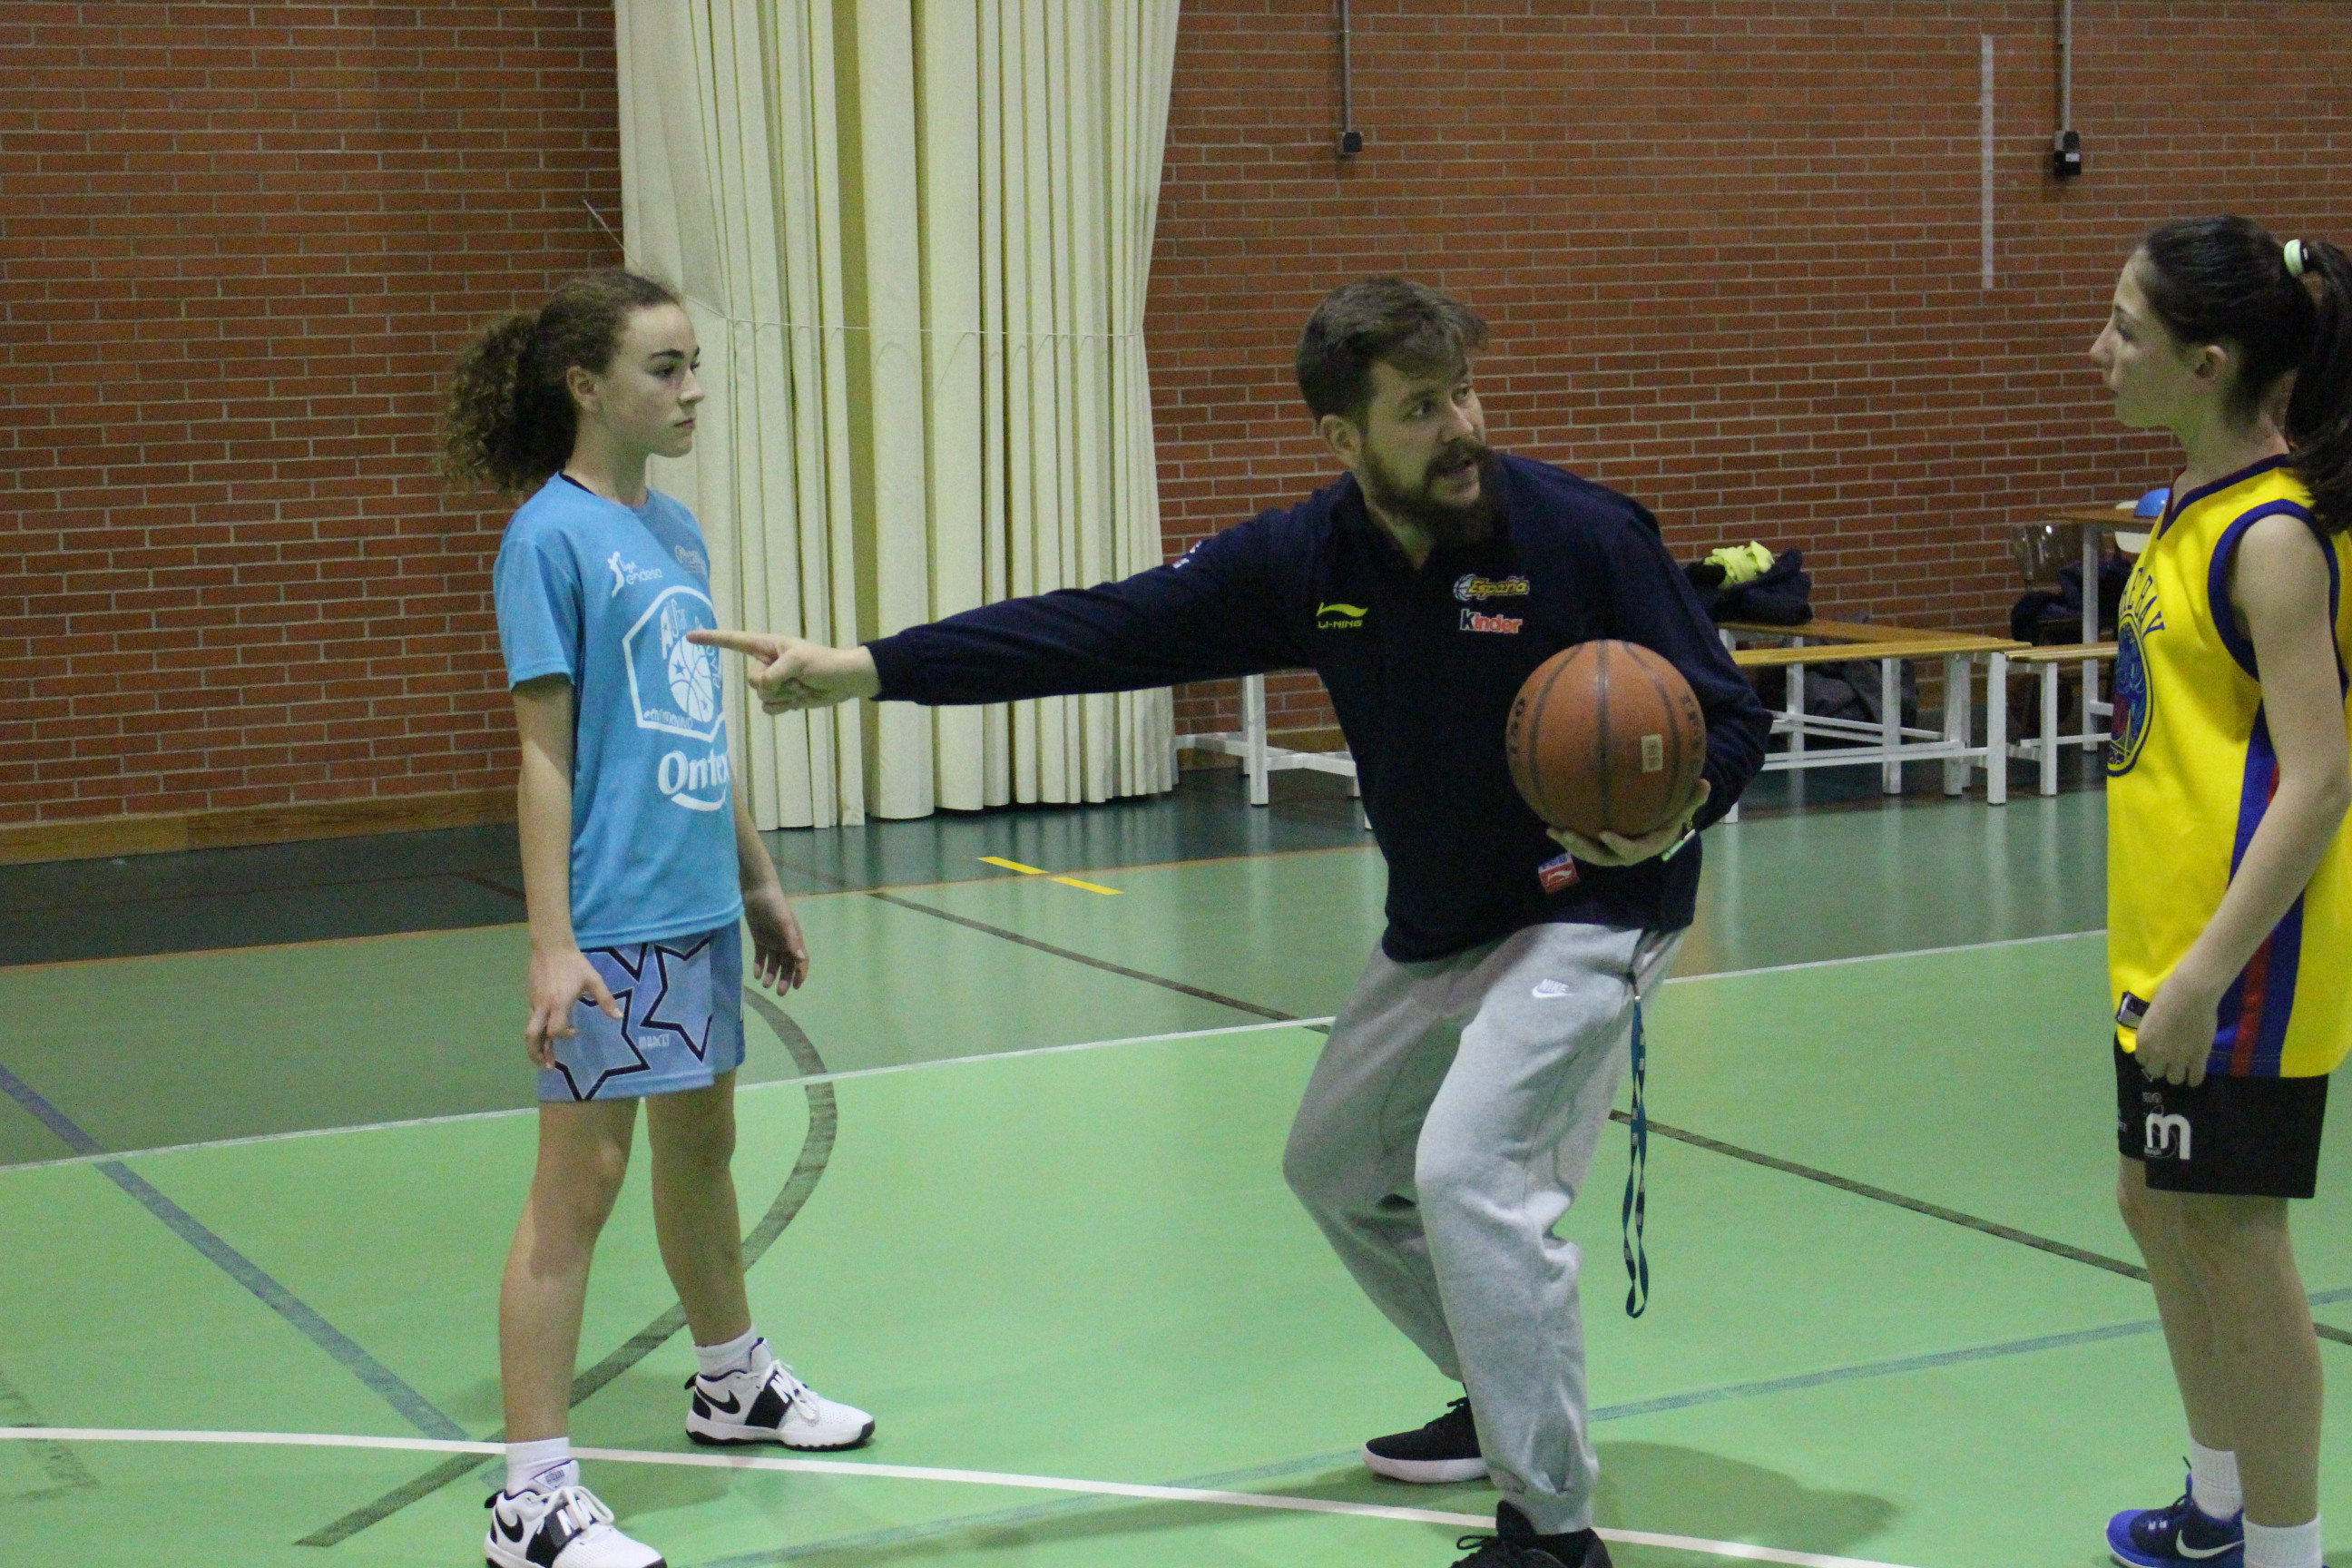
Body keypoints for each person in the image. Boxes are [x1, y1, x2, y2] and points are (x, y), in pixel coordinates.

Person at [693, 279, 1772, 1568]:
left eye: (1466, 394)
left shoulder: (1582, 536)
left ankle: (1551, 1528)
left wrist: (1680, 807)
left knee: (1467, 1173)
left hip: (1591, 906)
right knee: (1335, 1170)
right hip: (1442, 918)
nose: (1462, 425)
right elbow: (1105, 627)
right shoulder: (1304, 560)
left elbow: (1729, 714)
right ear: (1344, 438)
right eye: (1422, 409)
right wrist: (870, 668)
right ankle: (1502, 1390)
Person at [444, 270, 875, 1568]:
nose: (691, 392)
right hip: (611, 916)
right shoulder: (550, 538)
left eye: (695, 365)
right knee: (578, 1189)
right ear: (588, 385)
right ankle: (531, 1498)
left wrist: (754, 877)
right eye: (664, 369)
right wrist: (553, 944)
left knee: (705, 1146)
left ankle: (731, 1381)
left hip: (692, 900)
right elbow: (546, 757)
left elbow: (694, 722)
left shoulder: (673, 533)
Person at [2092, 218, 2352, 1568]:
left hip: (2239, 971)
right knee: (2156, 1204)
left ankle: (2288, 1554)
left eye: (2126, 331)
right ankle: (2216, 1508)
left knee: (2240, 1247)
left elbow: (2318, 781)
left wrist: (2201, 977)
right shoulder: (2191, 512)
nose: (2100, 352)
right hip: (2165, 947)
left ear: (2206, 363)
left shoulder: (2275, 537)